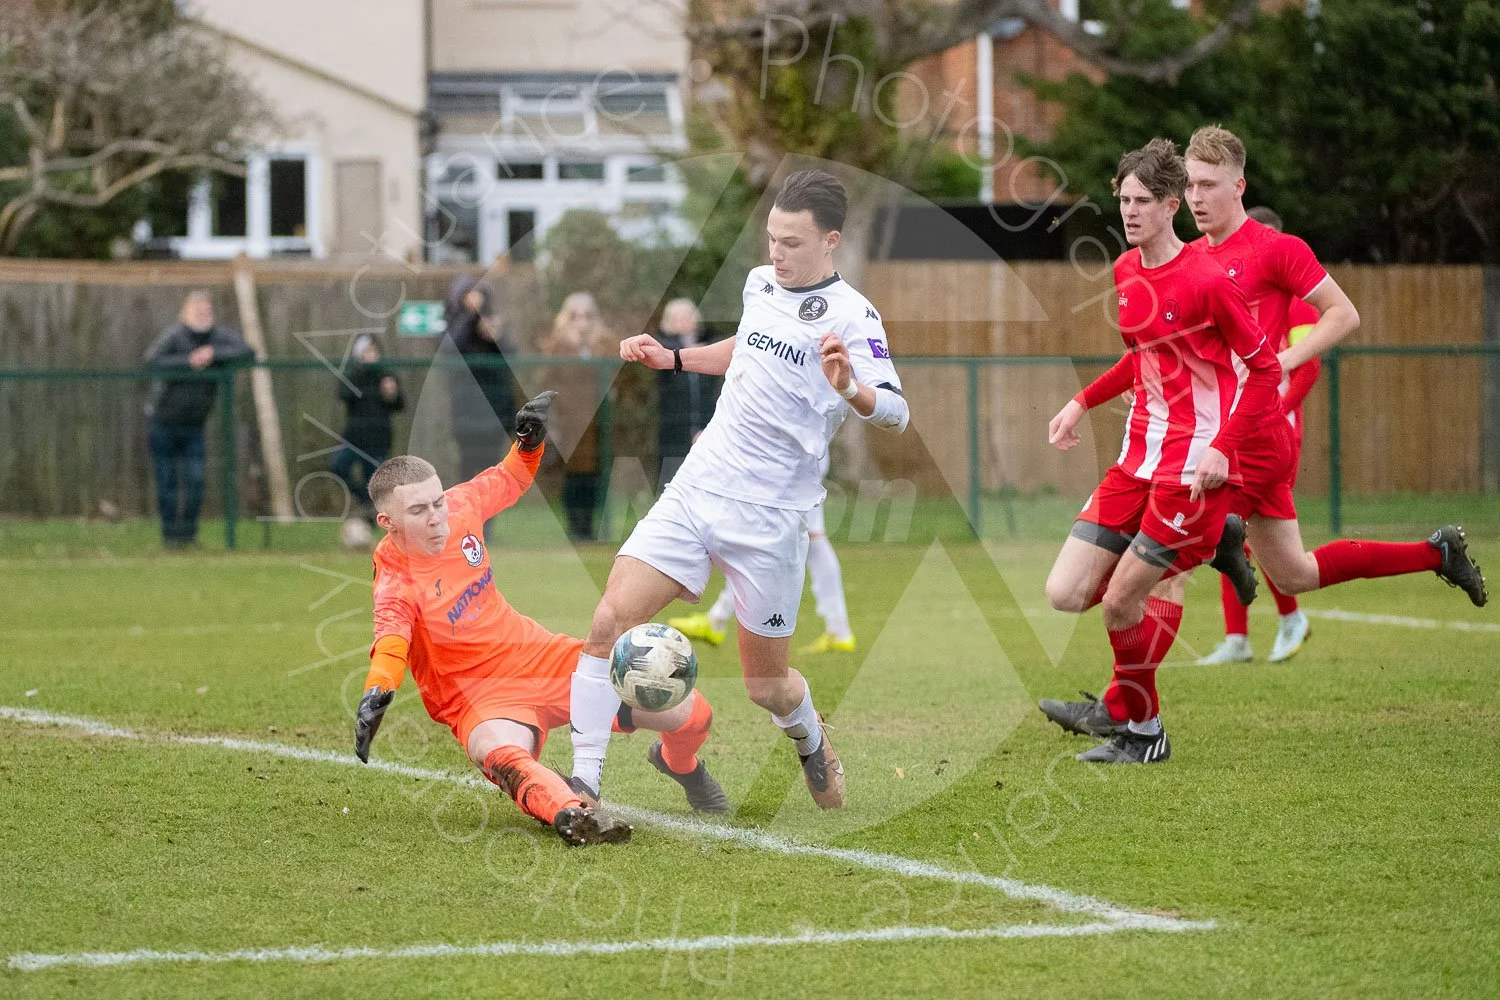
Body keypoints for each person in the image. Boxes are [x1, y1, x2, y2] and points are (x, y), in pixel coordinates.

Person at [567, 170, 909, 809]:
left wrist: (848, 389)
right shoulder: (759, 283)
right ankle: (584, 781)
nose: (776, 254)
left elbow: (895, 409)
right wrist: (672, 358)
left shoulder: (855, 316)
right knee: (608, 621)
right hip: (700, 488)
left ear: (830, 241)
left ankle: (811, 740)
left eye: (792, 243)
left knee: (766, 686)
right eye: (772, 238)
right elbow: (747, 349)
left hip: (774, 516)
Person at [351, 390, 729, 848]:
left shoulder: (459, 507)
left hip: (540, 657)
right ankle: (572, 814)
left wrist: (528, 444)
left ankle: (681, 766)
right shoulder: (395, 580)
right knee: (503, 757)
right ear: (387, 522)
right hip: (478, 698)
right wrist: (379, 689)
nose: (436, 517)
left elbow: (509, 478)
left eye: (436, 502)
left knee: (692, 714)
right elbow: (391, 639)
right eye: (418, 511)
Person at [1038, 138, 1284, 765]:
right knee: (1065, 592)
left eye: (1143, 201)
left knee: (1123, 601)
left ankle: (1142, 732)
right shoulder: (1124, 272)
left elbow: (1262, 370)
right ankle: (1215, 543)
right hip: (1135, 459)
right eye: (1123, 200)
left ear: (1172, 204)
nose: (1129, 212)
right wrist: (1081, 402)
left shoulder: (1208, 281)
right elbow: (1146, 356)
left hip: (1190, 468)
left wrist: (1223, 448)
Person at [1197, 206, 1321, 664]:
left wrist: (1273, 412)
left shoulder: (1297, 296)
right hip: (1237, 426)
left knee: (1231, 528)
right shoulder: (1231, 287)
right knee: (1236, 532)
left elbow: (1307, 367)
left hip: (1273, 430)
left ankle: (1269, 625)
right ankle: (1246, 635)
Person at [670, 448, 856, 654]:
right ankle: (839, 630)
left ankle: (717, 619)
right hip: (800, 456)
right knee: (809, 540)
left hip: (793, 458)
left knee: (769, 540)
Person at [142, 290, 252, 548]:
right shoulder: (174, 336)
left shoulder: (218, 339)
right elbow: (152, 361)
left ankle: (188, 536)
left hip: (195, 426)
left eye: (207, 311)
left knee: (195, 481)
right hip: (163, 422)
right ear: (185, 313)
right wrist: (188, 361)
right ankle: (170, 537)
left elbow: (247, 351)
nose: (203, 315)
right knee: (167, 482)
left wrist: (212, 354)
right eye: (198, 311)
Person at [542, 292, 616, 541]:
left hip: (598, 427)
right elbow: (549, 384)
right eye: (575, 316)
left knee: (595, 479)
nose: (582, 322)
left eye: (587, 316)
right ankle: (576, 529)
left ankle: (592, 530)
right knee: (573, 480)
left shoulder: (605, 345)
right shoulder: (556, 347)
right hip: (569, 424)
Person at [447, 278, 520, 483]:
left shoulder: (494, 323)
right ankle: (469, 515)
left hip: (494, 414)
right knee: (468, 471)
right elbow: (450, 349)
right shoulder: (456, 324)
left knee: (492, 473)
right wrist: (470, 317)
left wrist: (496, 336)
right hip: (466, 415)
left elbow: (511, 355)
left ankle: (487, 516)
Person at [331, 334, 403, 526]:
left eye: (373, 350)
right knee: (338, 466)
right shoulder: (354, 374)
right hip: (354, 437)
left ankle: (371, 524)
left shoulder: (386, 375)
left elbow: (399, 405)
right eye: (366, 351)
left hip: (378, 438)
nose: (371, 355)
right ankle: (364, 501)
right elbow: (343, 394)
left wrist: (391, 393)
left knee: (372, 479)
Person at [651, 298, 715, 486]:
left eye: (688, 316)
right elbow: (664, 357)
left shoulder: (709, 341)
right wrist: (689, 353)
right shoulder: (663, 346)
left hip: (705, 418)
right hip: (674, 425)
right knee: (673, 473)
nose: (685, 321)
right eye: (678, 318)